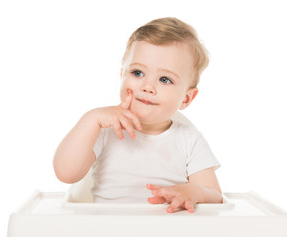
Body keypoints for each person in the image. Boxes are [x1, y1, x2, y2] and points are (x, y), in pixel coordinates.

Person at [53, 17, 222, 213]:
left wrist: (195, 192)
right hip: (109, 228)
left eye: (165, 79)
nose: (148, 86)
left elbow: (215, 196)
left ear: (186, 98)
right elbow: (66, 173)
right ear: (122, 75)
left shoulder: (189, 140)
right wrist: (90, 119)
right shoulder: (105, 130)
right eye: (138, 73)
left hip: (170, 231)